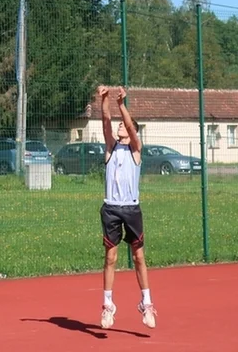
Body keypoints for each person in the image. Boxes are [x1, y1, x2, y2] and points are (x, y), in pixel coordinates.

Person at [97, 85, 157, 330]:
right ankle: (108, 305)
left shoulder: (135, 150)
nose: (120, 126)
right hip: (111, 208)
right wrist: (104, 99)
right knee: (110, 258)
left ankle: (147, 303)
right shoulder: (111, 148)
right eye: (120, 124)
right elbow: (105, 121)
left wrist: (122, 104)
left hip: (131, 209)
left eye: (124, 125)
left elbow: (130, 127)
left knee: (138, 256)